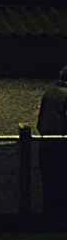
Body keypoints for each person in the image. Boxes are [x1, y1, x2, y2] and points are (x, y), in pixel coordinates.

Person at [37, 65, 67, 226]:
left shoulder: (49, 93)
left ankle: (49, 221)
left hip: (46, 144)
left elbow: (41, 122)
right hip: (62, 146)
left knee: (50, 185)